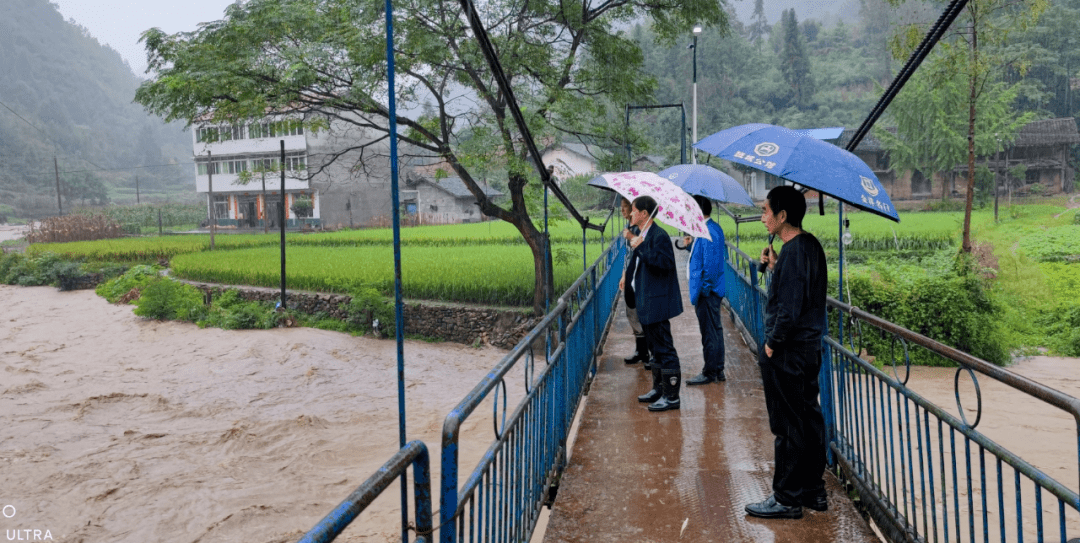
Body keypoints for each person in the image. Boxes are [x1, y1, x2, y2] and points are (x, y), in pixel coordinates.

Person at [744, 185, 829, 520]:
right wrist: (776, 267)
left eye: (766, 211)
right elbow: (801, 292)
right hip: (808, 348)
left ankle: (786, 497)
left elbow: (789, 310)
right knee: (808, 417)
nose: (763, 217)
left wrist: (771, 344)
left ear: (782, 216)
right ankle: (812, 490)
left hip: (788, 351)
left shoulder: (793, 252)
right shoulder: (808, 247)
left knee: (787, 424)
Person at [628, 196, 684, 412]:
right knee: (655, 350)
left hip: (657, 303)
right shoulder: (643, 234)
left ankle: (672, 397)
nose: (630, 214)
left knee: (665, 349)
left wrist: (640, 246)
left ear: (644, 213)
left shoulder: (659, 236)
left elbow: (665, 264)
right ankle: (658, 389)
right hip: (646, 301)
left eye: (633, 210)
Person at [681, 195, 728, 385]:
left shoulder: (708, 232)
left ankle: (710, 372)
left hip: (708, 293)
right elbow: (706, 256)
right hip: (709, 291)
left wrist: (704, 290)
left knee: (709, 332)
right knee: (714, 330)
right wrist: (690, 246)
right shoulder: (709, 230)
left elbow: (710, 267)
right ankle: (717, 370)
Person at [618, 198, 650, 368]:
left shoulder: (640, 230)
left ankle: (648, 354)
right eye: (621, 208)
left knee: (642, 313)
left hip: (639, 278)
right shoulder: (629, 229)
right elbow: (627, 256)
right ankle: (641, 351)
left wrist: (632, 236)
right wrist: (623, 275)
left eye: (625, 208)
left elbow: (642, 251)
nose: (623, 211)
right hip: (630, 276)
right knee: (631, 312)